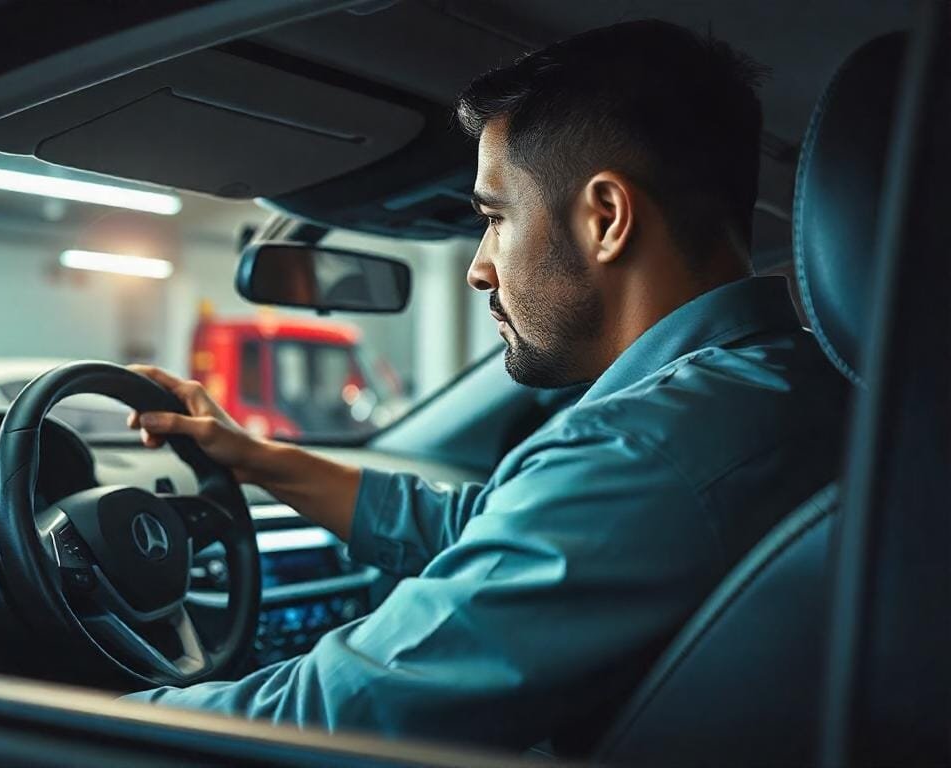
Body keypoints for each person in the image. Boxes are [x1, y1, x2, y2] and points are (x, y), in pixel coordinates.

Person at [123, 20, 849, 752]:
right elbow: (502, 527)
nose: (479, 267)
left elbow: (343, 709)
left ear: (606, 218)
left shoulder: (643, 450)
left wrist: (44, 716)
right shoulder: (808, 389)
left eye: (495, 219)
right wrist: (254, 458)